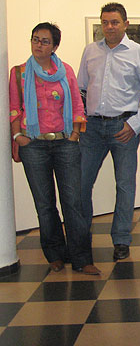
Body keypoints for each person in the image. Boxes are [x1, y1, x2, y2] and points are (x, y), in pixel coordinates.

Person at [10, 22, 99, 275]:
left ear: (55, 46)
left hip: (65, 144)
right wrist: (18, 136)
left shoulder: (66, 71)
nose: (38, 45)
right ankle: (54, 254)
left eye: (44, 41)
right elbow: (14, 107)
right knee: (45, 204)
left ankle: (81, 257)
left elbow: (78, 106)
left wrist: (74, 135)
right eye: (35, 39)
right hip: (33, 145)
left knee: (74, 202)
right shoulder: (20, 73)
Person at [78, 2, 140, 261]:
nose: (109, 27)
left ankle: (121, 239)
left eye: (114, 22)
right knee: (81, 184)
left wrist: (134, 125)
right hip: (92, 128)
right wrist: (80, 122)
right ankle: (80, 237)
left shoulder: (138, 53)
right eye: (105, 22)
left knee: (125, 186)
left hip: (123, 128)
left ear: (126, 24)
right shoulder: (90, 51)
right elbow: (82, 90)